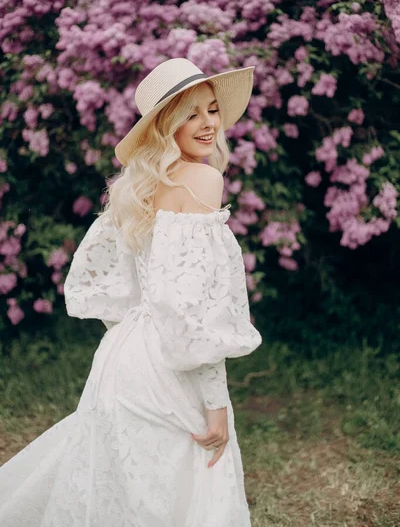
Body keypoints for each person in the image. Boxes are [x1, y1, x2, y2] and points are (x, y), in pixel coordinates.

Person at [0, 57, 262, 526]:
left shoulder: (135, 187)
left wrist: (131, 341)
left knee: (121, 487)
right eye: (190, 113)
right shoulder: (204, 180)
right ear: (166, 125)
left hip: (122, 358)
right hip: (167, 368)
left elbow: (118, 282)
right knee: (184, 483)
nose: (207, 124)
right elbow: (192, 311)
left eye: (211, 110)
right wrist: (216, 404)